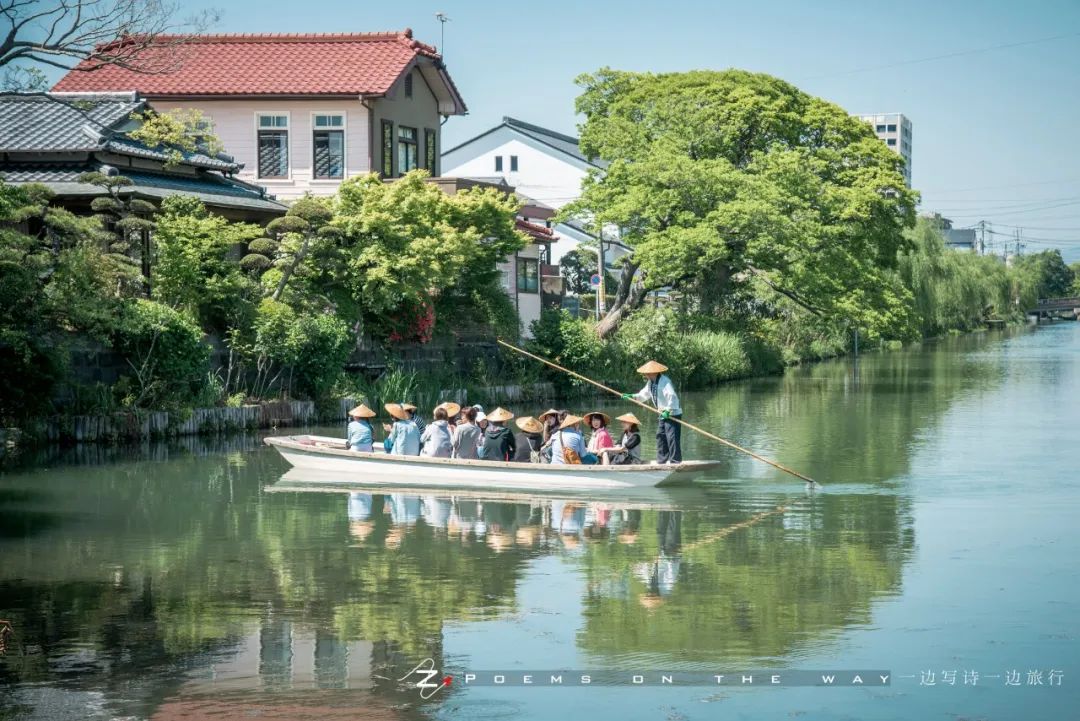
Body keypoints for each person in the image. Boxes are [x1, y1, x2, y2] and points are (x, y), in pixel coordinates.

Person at [623, 360, 683, 463]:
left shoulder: (665, 381)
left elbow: (672, 397)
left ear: (654, 372)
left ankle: (675, 461)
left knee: (671, 438)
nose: (646, 374)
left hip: (672, 413)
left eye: (648, 372)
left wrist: (668, 411)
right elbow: (643, 395)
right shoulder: (651, 383)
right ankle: (662, 461)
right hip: (662, 414)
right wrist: (632, 396)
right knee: (660, 436)